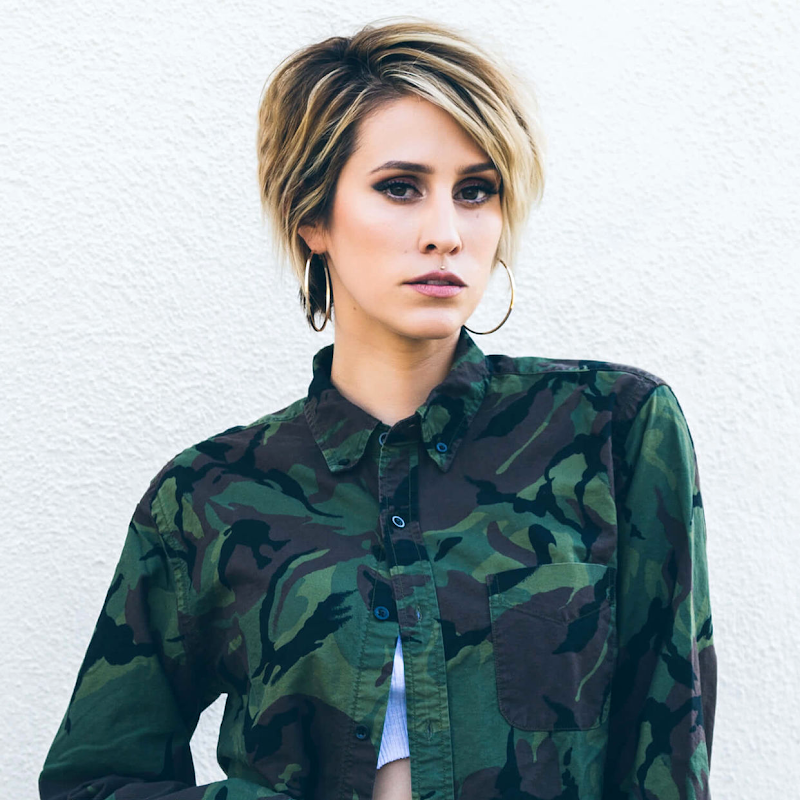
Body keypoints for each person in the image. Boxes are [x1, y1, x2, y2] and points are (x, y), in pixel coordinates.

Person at [39, 17, 716, 800]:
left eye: (476, 191)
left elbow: (668, 753)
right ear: (313, 216)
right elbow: (90, 782)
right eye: (400, 188)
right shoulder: (207, 497)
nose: (445, 234)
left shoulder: (613, 430)